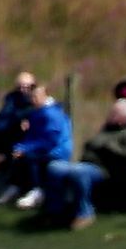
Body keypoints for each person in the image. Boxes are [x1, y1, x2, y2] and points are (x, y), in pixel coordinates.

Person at [70, 96, 126, 226]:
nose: (111, 115)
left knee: (79, 173)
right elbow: (91, 144)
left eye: (114, 113)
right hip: (90, 164)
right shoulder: (108, 129)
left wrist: (107, 146)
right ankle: (56, 211)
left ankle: (85, 213)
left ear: (123, 116)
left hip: (108, 170)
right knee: (55, 169)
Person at [8, 82, 75, 211]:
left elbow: (50, 140)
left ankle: (37, 191)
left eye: (36, 96)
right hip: (45, 147)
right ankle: (17, 188)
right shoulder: (37, 113)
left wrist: (25, 149)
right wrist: (20, 147)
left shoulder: (52, 114)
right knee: (19, 155)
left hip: (57, 151)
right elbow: (33, 136)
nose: (32, 100)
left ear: (45, 96)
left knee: (32, 158)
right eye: (31, 97)